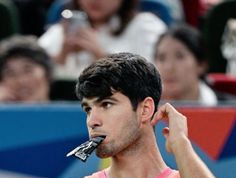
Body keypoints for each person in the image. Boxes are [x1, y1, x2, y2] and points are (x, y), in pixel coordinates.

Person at [39, 53, 236, 178]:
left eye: (106, 104)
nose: (92, 121)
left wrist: (181, 145)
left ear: (145, 110)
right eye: (88, 109)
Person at [38, 0, 166, 80]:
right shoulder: (63, 29)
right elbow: (31, 66)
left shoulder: (146, 26)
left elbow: (156, 78)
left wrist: (102, 56)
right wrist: (61, 56)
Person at [154, 24, 235, 105]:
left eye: (179, 56)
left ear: (201, 64)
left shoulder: (231, 109)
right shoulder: (144, 110)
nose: (168, 67)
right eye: (161, 58)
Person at [0, 35, 52, 103]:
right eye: (10, 74)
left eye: (28, 70)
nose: (21, 81)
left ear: (47, 74)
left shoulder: (68, 111)